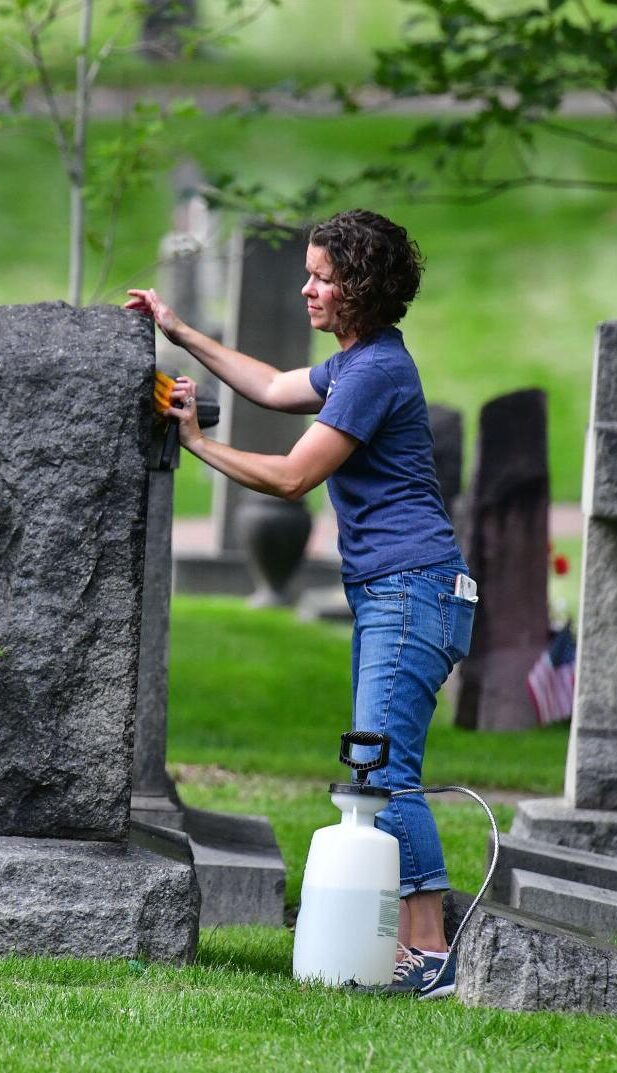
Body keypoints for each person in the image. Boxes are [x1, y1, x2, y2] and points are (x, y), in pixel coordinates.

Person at [126, 209, 476, 1000]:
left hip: (412, 587)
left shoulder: (376, 372)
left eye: (321, 277)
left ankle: (425, 952)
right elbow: (273, 384)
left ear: (357, 288)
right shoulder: (355, 363)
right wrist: (180, 330)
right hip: (400, 590)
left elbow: (292, 476)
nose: (306, 288)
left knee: (385, 771)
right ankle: (419, 944)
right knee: (378, 766)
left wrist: (196, 443)